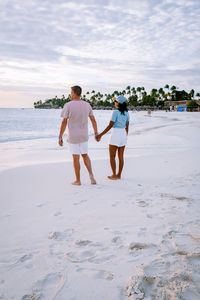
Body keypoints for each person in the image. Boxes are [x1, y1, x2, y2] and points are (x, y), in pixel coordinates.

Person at [58, 86, 98, 186]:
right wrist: (96, 132)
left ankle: (78, 180)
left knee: (76, 158)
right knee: (85, 155)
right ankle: (91, 176)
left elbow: (64, 122)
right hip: (84, 135)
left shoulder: (68, 105)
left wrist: (60, 136)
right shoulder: (87, 105)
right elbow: (93, 120)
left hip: (73, 136)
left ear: (75, 93)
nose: (70, 94)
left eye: (71, 92)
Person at [96, 95, 129, 180]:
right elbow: (127, 126)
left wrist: (100, 135)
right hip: (123, 134)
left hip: (116, 134)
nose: (115, 103)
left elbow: (110, 125)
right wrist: (125, 136)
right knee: (121, 157)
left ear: (118, 103)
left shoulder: (115, 112)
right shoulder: (127, 113)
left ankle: (114, 174)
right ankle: (119, 175)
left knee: (112, 156)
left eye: (115, 101)